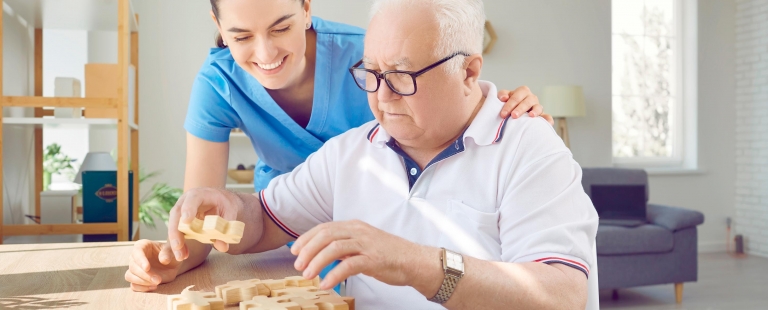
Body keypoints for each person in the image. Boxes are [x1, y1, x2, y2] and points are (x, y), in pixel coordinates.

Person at [128, 0, 600, 308]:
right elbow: (266, 219)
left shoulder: (529, 148)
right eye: (370, 73)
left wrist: (413, 263)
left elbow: (561, 295)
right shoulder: (353, 150)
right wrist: (230, 208)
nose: (381, 97)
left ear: (469, 71)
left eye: (401, 75)